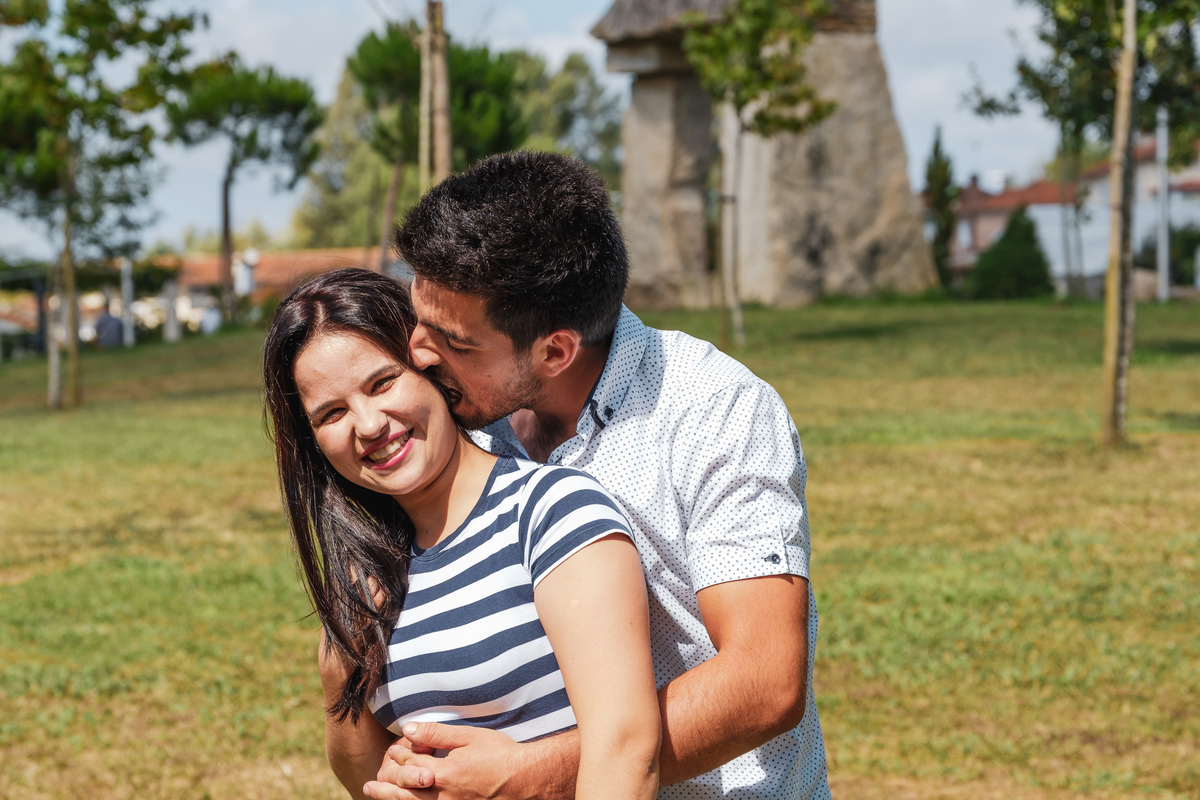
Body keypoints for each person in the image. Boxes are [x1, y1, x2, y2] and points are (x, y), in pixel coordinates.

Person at [364, 151, 831, 800]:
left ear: (556, 350)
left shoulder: (713, 411)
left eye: (455, 341)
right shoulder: (459, 423)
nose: (417, 350)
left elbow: (765, 682)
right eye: (420, 319)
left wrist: (536, 773)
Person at [261, 268, 661, 800]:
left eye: (382, 383)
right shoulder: (371, 575)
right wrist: (340, 668)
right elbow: (366, 779)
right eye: (332, 413)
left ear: (432, 370)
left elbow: (626, 748)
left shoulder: (550, 510)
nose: (368, 424)